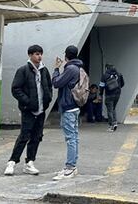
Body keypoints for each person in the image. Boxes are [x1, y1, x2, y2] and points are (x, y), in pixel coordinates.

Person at [5, 44, 52, 176]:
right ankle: (12, 162)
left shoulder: (44, 70)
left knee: (37, 137)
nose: (39, 56)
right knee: (24, 136)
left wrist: (48, 99)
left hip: (41, 110)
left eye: (41, 54)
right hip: (28, 110)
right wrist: (28, 102)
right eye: (36, 54)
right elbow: (16, 89)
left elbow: (49, 86)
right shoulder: (23, 70)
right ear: (30, 55)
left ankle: (30, 162)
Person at [52, 45, 85, 180]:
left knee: (70, 138)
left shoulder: (71, 68)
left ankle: (70, 167)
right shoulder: (78, 67)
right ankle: (72, 166)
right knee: (74, 137)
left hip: (69, 107)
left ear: (66, 55)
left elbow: (56, 83)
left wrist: (56, 69)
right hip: (75, 106)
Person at [100, 63, 125, 132]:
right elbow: (122, 84)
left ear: (106, 68)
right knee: (113, 108)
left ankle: (111, 125)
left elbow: (101, 86)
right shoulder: (119, 74)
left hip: (109, 94)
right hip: (117, 94)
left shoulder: (105, 75)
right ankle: (115, 122)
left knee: (109, 110)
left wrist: (100, 94)